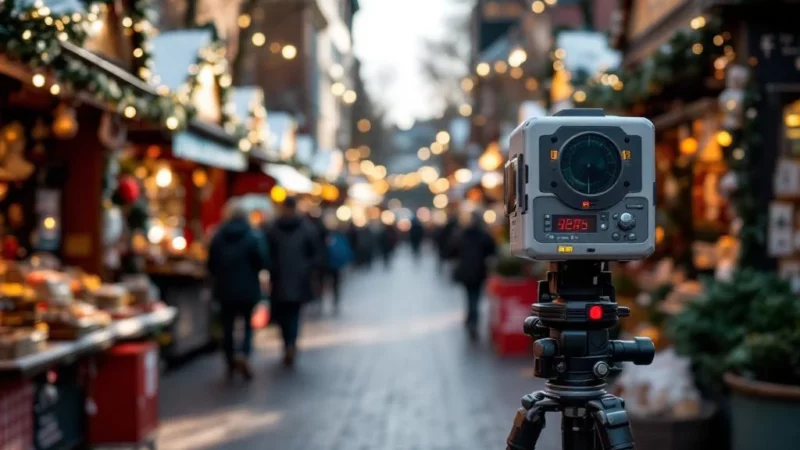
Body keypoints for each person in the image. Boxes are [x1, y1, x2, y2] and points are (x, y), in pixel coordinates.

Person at [207, 200, 267, 381]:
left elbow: (211, 264)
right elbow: (261, 262)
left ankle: (230, 360)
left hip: (225, 288)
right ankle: (244, 354)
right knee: (247, 325)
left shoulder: (218, 236)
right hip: (247, 288)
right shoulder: (252, 236)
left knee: (228, 326)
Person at [265, 197, 322, 367]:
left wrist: (273, 268)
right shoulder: (306, 228)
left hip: (280, 278)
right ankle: (291, 344)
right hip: (298, 278)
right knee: (294, 314)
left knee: (283, 315)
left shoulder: (273, 228)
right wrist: (307, 267)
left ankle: (287, 344)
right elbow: (316, 254)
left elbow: (267, 254)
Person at [451, 210, 497, 341]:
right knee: (475, 298)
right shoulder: (484, 236)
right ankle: (473, 320)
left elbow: (453, 250)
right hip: (478, 272)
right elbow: (492, 251)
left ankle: (470, 319)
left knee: (469, 296)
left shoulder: (462, 235)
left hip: (466, 271)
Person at [324, 216, 354, 313]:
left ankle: (329, 302)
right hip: (336, 265)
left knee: (329, 284)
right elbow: (347, 251)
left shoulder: (328, 237)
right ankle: (335, 302)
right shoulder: (341, 236)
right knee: (335, 285)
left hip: (328, 265)